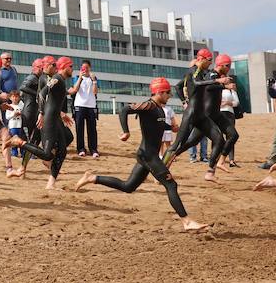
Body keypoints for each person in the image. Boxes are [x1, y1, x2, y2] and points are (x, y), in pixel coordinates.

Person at [73, 77, 210, 232]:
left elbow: (156, 123)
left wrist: (170, 127)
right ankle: (186, 222)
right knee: (171, 185)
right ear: (158, 92)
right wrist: (126, 131)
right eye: (167, 92)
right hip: (148, 155)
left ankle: (92, 178)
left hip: (146, 155)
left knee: (128, 186)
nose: (170, 95)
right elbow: (124, 110)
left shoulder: (158, 108)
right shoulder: (148, 105)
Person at [5, 56, 75, 189]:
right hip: (41, 117)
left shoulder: (53, 78)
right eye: (71, 66)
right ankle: (19, 144)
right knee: (41, 148)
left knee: (62, 150)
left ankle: (50, 183)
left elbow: (51, 98)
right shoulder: (54, 78)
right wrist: (42, 113)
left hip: (52, 117)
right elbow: (42, 94)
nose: (73, 69)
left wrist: (60, 113)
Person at [163, 48, 230, 182]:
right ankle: (161, 171)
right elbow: (197, 83)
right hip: (192, 113)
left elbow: (181, 86)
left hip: (201, 115)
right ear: (202, 59)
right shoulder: (193, 70)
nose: (210, 64)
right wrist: (217, 82)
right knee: (177, 144)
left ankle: (210, 173)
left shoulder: (202, 71)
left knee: (219, 140)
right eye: (209, 60)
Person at [69, 59, 99, 158]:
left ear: (90, 68)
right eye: (83, 68)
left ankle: (93, 149)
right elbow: (75, 89)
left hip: (91, 106)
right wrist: (80, 78)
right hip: (79, 105)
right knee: (79, 129)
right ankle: (81, 149)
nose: (85, 70)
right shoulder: (77, 77)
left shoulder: (93, 78)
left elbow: (95, 92)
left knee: (92, 129)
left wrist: (94, 81)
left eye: (86, 68)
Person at [6, 90, 25, 157]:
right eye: (13, 96)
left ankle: (23, 153)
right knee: (14, 139)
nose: (15, 98)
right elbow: (7, 117)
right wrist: (13, 114)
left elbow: (24, 113)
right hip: (13, 126)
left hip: (20, 125)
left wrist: (20, 113)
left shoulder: (21, 105)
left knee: (21, 139)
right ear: (10, 98)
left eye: (17, 96)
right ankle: (14, 152)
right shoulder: (9, 106)